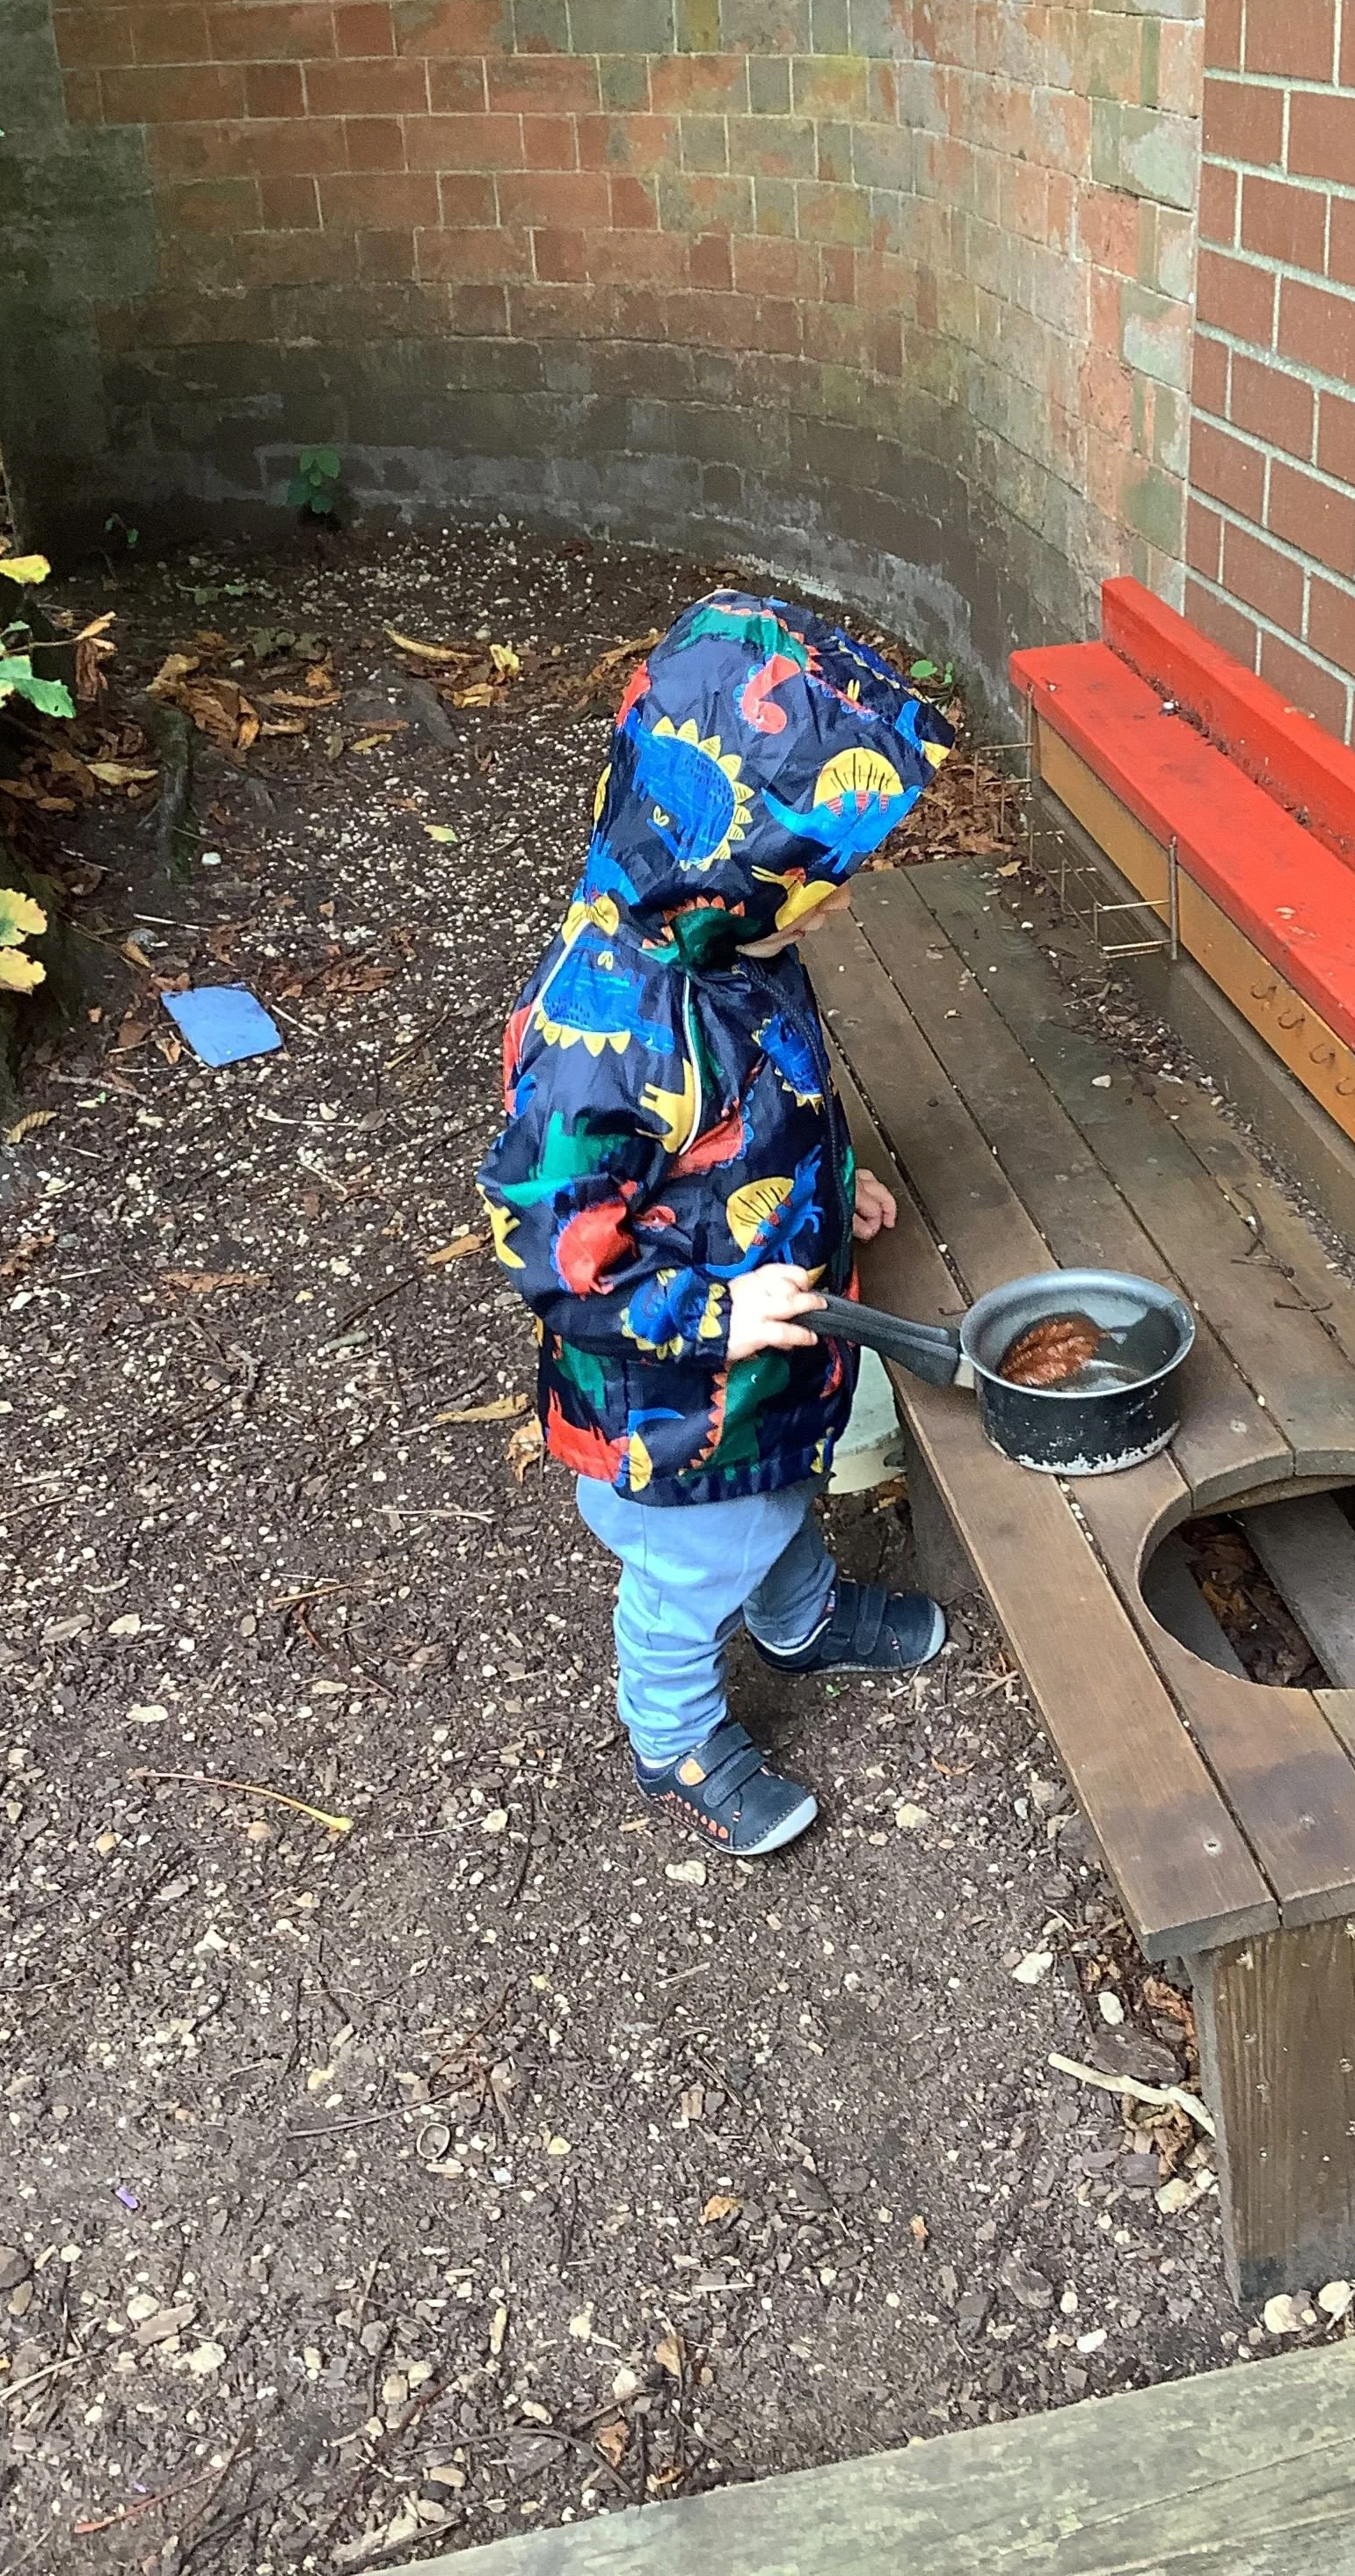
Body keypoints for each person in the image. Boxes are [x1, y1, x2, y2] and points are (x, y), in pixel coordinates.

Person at [478, 591, 956, 1856]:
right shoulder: (607, 1035)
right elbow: (553, 1252)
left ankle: (798, 1622)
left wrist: (826, 1178)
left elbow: (767, 1099)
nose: (840, 903)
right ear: (733, 866)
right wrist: (714, 1312)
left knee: (778, 1491)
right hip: (673, 1399)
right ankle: (672, 1731)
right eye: (825, 882)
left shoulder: (728, 946)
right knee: (693, 1569)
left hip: (759, 1376)